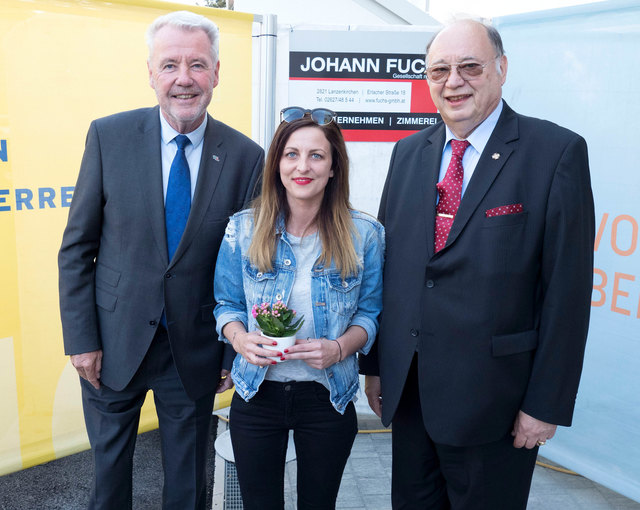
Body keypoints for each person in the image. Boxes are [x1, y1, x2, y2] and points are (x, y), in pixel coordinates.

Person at [359, 19, 595, 509]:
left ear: (501, 69)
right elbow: (395, 272)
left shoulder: (555, 153)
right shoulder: (408, 154)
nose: (453, 81)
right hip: (412, 397)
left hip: (498, 407)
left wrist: (544, 404)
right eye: (439, 70)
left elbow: (566, 294)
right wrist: (378, 366)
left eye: (470, 66)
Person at [58, 11, 264, 510]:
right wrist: (82, 340)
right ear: (151, 73)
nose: (184, 78)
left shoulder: (245, 156)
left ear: (217, 73)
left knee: (187, 486)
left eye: (197, 64)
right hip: (112, 344)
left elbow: (245, 267)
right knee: (108, 484)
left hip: (192, 351)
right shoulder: (108, 137)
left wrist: (229, 352)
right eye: (169, 65)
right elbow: (77, 248)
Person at [213, 107, 384, 510]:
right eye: (291, 154)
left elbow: (370, 314)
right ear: (277, 165)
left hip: (327, 396)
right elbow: (226, 304)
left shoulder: (365, 235)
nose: (302, 166)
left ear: (333, 168)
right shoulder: (243, 228)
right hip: (258, 391)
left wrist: (339, 348)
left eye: (316, 155)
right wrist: (240, 340)